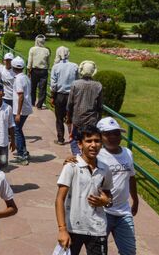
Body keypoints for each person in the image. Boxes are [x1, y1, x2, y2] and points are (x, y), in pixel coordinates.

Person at [55, 125, 114, 255]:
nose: (93, 145)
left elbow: (108, 193)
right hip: (72, 228)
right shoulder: (71, 166)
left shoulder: (105, 169)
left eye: (97, 141)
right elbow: (60, 198)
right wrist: (62, 229)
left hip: (97, 228)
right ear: (80, 144)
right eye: (89, 141)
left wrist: (106, 201)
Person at [97, 117, 139, 255]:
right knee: (99, 251)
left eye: (116, 133)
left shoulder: (128, 153)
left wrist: (135, 200)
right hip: (102, 212)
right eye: (108, 134)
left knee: (129, 251)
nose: (113, 137)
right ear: (100, 136)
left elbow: (131, 177)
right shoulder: (97, 155)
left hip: (123, 211)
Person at [67, 60, 103, 155]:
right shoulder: (98, 85)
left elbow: (70, 103)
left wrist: (69, 118)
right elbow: (100, 106)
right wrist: (98, 118)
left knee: (74, 139)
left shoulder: (75, 84)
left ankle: (77, 156)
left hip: (77, 119)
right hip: (91, 120)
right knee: (89, 140)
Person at [50, 46, 79, 145]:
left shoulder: (56, 67)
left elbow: (53, 84)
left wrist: (52, 97)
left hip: (60, 95)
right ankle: (73, 138)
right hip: (72, 95)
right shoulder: (75, 66)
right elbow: (77, 81)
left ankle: (60, 139)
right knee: (71, 117)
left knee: (59, 118)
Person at [11, 56, 33, 165]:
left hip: (21, 109)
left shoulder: (19, 79)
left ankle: (21, 154)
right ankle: (24, 151)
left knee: (17, 131)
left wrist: (18, 113)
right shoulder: (25, 77)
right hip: (26, 108)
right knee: (19, 130)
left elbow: (20, 96)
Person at [28, 34, 50, 109]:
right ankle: (40, 104)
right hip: (44, 70)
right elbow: (48, 62)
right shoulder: (46, 50)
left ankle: (32, 102)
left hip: (35, 70)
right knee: (42, 88)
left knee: (33, 87)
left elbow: (30, 61)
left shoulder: (32, 49)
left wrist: (28, 69)